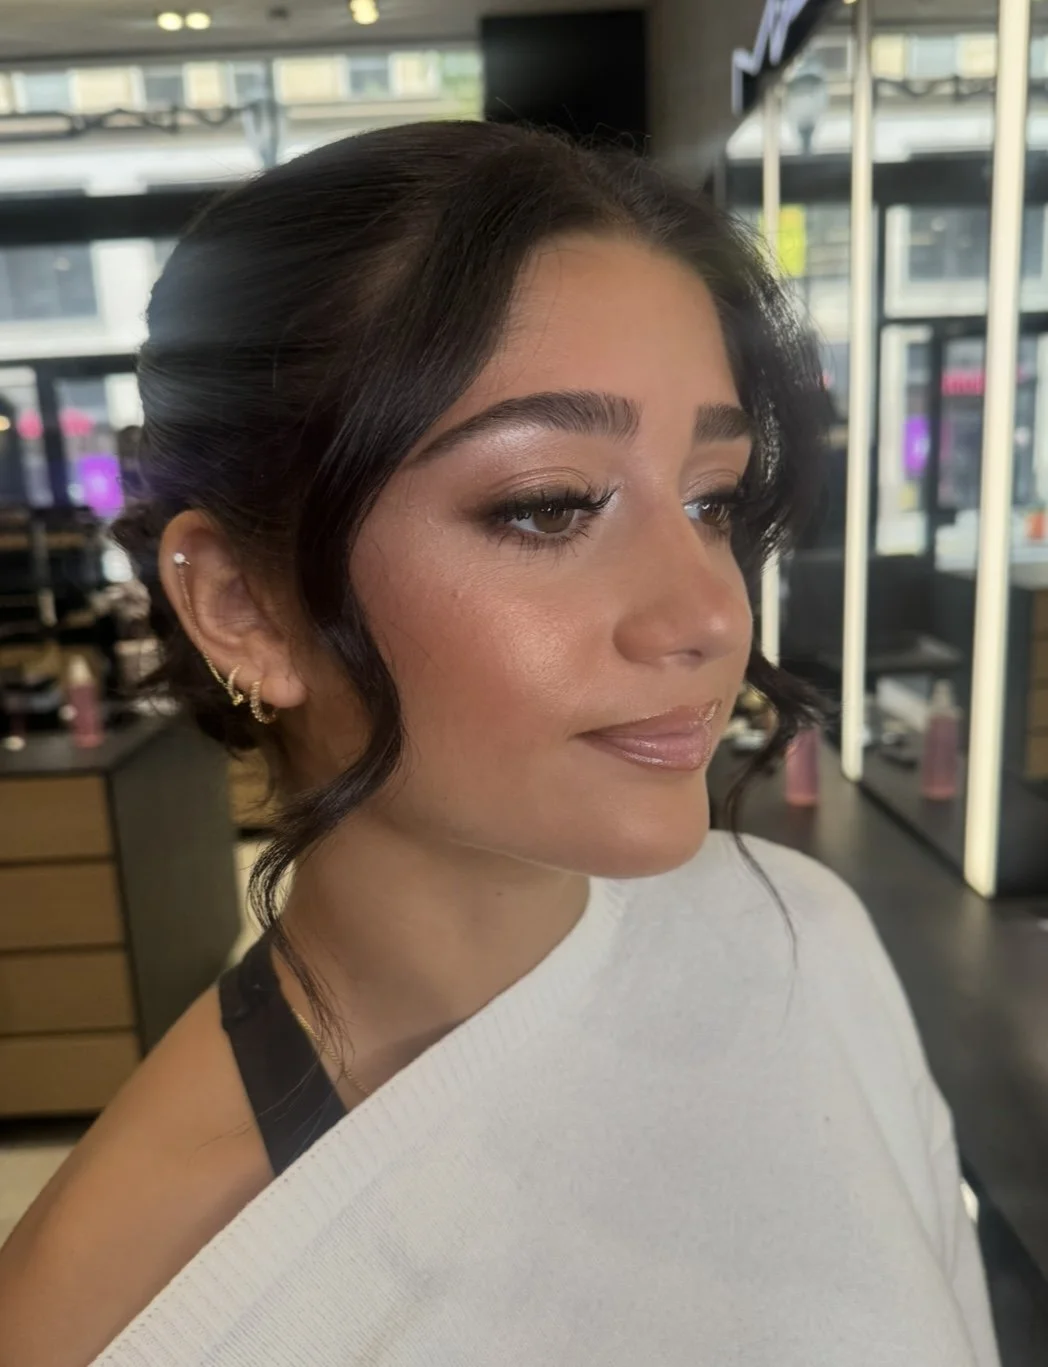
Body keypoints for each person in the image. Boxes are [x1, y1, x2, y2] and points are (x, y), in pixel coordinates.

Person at [0, 121, 999, 1367]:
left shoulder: (801, 933)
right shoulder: (116, 1318)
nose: (708, 613)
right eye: (547, 506)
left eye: (710, 499)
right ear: (245, 605)